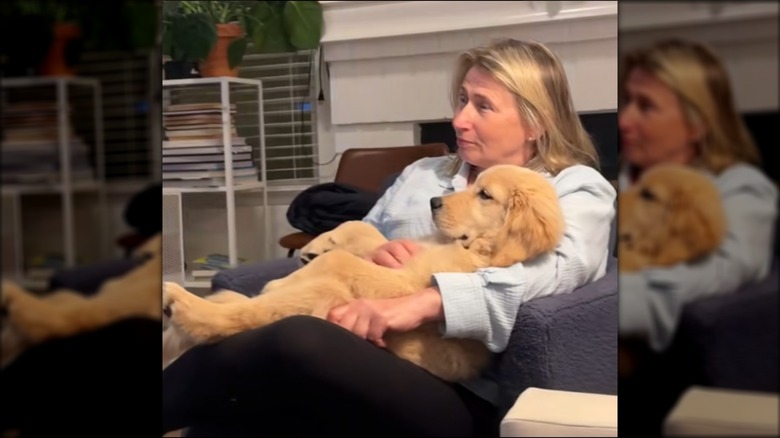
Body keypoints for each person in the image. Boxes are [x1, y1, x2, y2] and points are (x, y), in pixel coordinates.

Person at [162, 38, 617, 437]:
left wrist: (425, 302)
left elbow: (559, 271)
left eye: (482, 106)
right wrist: (374, 250)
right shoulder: (423, 175)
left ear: (536, 121)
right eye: (461, 100)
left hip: (452, 384)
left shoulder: (572, 187)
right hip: (355, 342)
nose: (458, 120)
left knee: (296, 339)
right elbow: (341, 254)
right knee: (249, 360)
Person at [616, 38, 778, 434]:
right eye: (626, 101)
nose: (624, 120)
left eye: (646, 106)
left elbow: (723, 274)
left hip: (665, 369)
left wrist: (615, 300)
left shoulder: (739, 187)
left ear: (697, 122)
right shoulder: (621, 180)